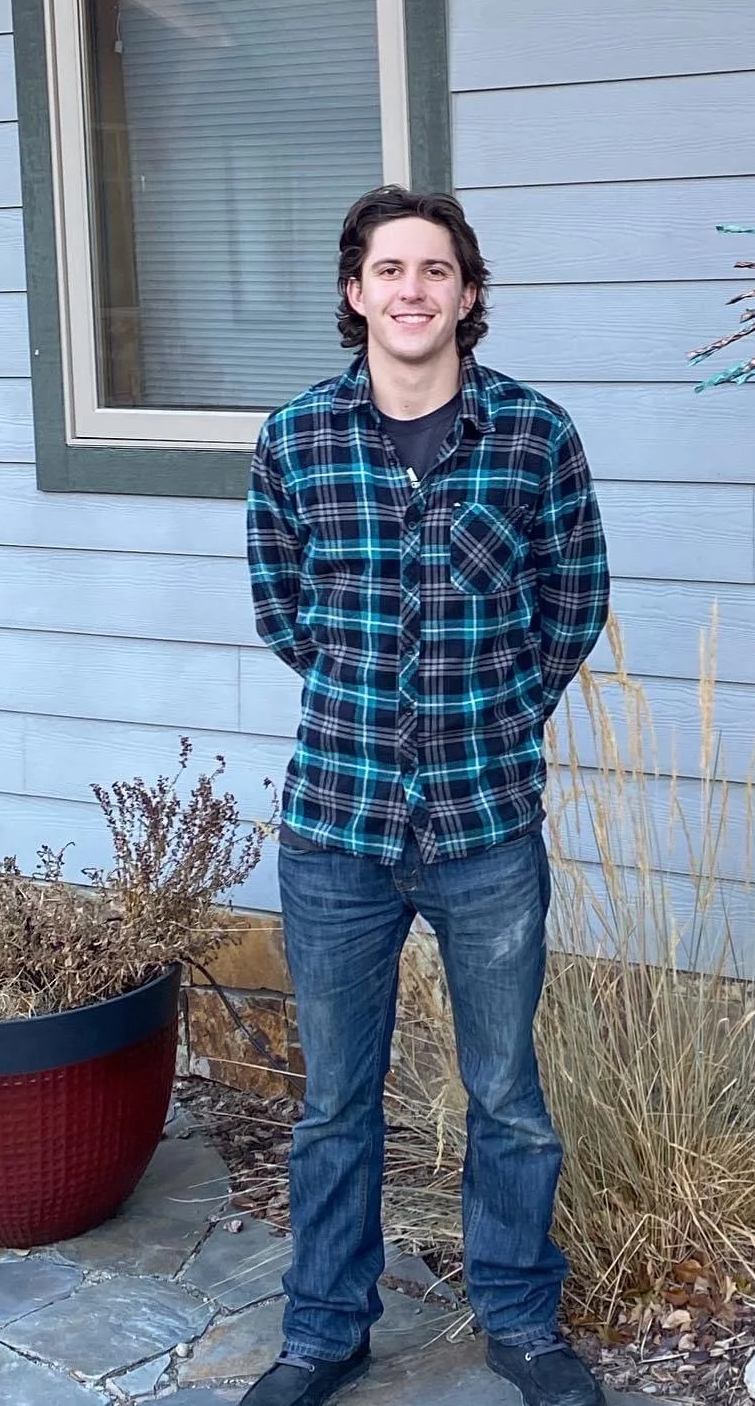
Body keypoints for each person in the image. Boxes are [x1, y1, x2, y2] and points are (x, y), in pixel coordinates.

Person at [243, 185, 610, 1406]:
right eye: (389, 270)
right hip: (335, 828)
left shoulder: (533, 439)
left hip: (485, 825)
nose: (413, 291)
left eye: (436, 271)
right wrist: (368, 702)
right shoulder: (296, 441)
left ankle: (521, 1321)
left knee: (506, 1096)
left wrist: (500, 716)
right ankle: (322, 1334)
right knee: (334, 1105)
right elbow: (283, 611)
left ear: (468, 293)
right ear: (356, 294)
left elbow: (575, 599)